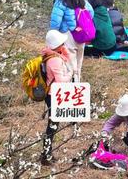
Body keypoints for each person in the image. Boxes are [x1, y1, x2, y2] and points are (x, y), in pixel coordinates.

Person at [49, 0, 94, 82]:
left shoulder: (60, 1)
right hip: (81, 34)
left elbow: (56, 22)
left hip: (67, 35)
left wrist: (53, 34)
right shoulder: (82, 0)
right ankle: (78, 83)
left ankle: (72, 85)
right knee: (79, 61)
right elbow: (91, 13)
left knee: (69, 63)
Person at [40, 30, 74, 166]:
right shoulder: (54, 60)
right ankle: (46, 155)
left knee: (53, 125)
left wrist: (64, 54)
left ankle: (47, 153)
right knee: (52, 126)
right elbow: (61, 81)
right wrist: (70, 74)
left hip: (52, 95)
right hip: (54, 95)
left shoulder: (51, 55)